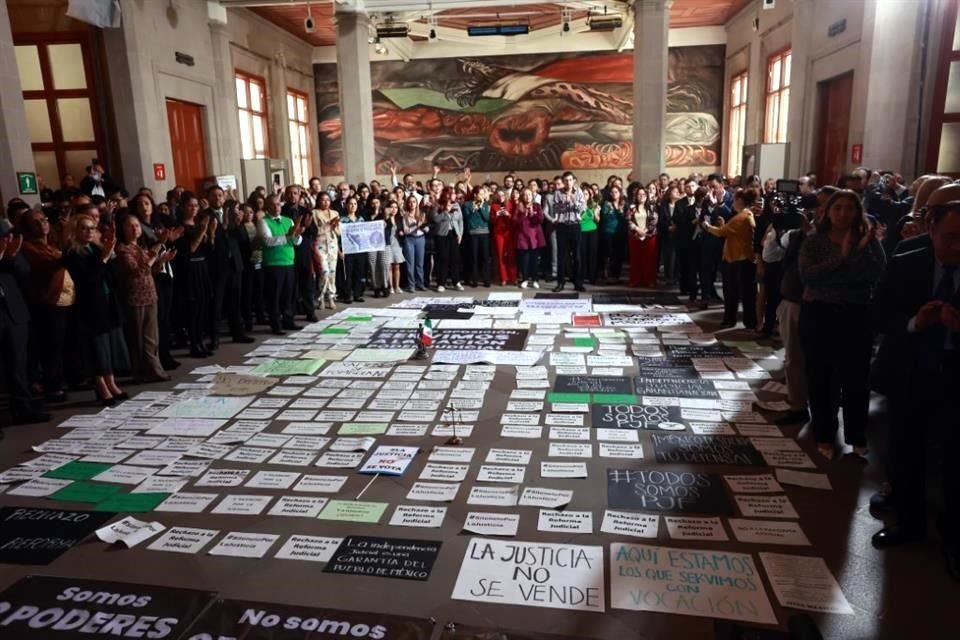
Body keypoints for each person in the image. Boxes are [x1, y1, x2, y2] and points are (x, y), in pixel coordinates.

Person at [871, 200, 960, 581]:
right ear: (931, 231)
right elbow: (878, 314)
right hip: (910, 374)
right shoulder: (907, 261)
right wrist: (913, 323)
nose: (958, 246)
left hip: (955, 377)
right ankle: (909, 524)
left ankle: (955, 540)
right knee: (906, 451)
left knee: (956, 461)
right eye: (950, 237)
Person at [799, 189, 886, 459]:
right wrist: (844, 258)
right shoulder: (815, 240)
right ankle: (824, 433)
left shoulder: (868, 241)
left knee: (856, 378)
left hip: (855, 314)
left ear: (857, 212)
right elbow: (808, 276)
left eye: (849, 208)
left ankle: (856, 435)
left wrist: (853, 258)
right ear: (828, 211)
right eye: (838, 208)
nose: (843, 213)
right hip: (819, 313)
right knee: (821, 377)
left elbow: (876, 274)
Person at [65, 212, 129, 405]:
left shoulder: (95, 248)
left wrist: (110, 254)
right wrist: (103, 259)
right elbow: (88, 280)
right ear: (75, 230)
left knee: (107, 346)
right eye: (84, 228)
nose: (88, 232)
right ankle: (101, 385)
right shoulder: (72, 253)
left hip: (106, 301)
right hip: (88, 306)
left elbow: (112, 274)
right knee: (96, 348)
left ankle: (111, 382)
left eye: (92, 228)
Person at [18, 210, 73, 403]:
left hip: (64, 300)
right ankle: (53, 385)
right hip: (47, 302)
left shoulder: (49, 243)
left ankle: (63, 379)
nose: (42, 224)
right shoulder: (27, 247)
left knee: (61, 345)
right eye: (36, 222)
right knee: (51, 346)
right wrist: (67, 241)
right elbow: (50, 264)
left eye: (44, 220)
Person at [0, 220, 50, 426]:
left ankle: (23, 408)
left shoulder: (13, 252)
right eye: (4, 237)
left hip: (14, 313)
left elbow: (25, 272)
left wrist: (10, 257)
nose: (8, 240)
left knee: (18, 364)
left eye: (9, 236)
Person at [116, 214, 174, 383]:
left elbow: (150, 270)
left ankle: (155, 369)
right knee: (137, 337)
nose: (135, 229)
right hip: (135, 296)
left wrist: (161, 261)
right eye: (130, 226)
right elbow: (137, 270)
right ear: (123, 230)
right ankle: (139, 371)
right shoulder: (123, 249)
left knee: (151, 336)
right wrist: (155, 254)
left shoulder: (141, 247)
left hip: (150, 293)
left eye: (137, 226)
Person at [703, 189, 759, 328]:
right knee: (745, 293)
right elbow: (731, 232)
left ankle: (732, 319)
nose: (733, 203)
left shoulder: (741, 217)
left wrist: (708, 227)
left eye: (734, 200)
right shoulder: (747, 215)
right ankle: (746, 321)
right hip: (742, 258)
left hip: (736, 259)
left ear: (740, 201)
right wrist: (723, 225)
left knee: (732, 292)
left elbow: (721, 233)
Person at [174, 195, 215, 357]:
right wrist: (203, 231)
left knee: (202, 307)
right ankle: (194, 343)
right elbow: (189, 249)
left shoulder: (199, 224)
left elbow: (208, 250)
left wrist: (210, 234)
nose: (194, 209)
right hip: (189, 269)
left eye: (196, 206)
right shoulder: (180, 227)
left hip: (202, 267)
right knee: (192, 309)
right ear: (183, 207)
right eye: (190, 206)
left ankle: (200, 341)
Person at [257, 194, 303, 334]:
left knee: (288, 294)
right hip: (273, 263)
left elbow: (296, 242)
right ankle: (276, 324)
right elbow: (268, 241)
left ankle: (288, 321)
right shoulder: (263, 221)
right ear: (267, 207)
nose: (276, 207)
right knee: (275, 296)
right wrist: (288, 237)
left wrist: (297, 235)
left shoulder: (288, 220)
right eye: (272, 204)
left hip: (289, 261)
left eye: (278, 204)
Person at [552, 172, 586, 292]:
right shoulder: (558, 193)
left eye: (570, 180)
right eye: (566, 180)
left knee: (577, 256)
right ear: (563, 181)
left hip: (575, 225)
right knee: (561, 255)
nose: (568, 182)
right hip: (562, 225)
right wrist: (564, 203)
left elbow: (583, 208)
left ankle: (577, 283)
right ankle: (560, 283)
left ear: (574, 181)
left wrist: (573, 201)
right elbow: (555, 208)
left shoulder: (579, 192)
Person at [431, 188, 464, 292]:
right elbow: (435, 219)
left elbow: (460, 221)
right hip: (442, 234)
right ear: (447, 195)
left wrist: (460, 234)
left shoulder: (457, 205)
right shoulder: (438, 205)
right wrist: (445, 211)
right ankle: (441, 283)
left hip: (454, 234)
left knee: (455, 258)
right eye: (452, 193)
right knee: (443, 258)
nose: (455, 195)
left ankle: (456, 282)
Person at [313, 192, 340, 310]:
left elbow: (339, 232)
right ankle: (321, 297)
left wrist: (334, 227)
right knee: (324, 271)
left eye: (328, 200)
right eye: (323, 200)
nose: (326, 202)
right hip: (320, 243)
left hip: (333, 243)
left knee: (332, 271)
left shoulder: (335, 213)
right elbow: (314, 230)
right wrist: (326, 226)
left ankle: (331, 296)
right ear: (318, 201)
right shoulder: (314, 213)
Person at [514, 188, 545, 289]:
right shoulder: (519, 206)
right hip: (522, 236)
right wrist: (524, 214)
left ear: (532, 196)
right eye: (525, 195)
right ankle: (525, 279)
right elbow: (514, 221)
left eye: (529, 195)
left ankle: (535, 280)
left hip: (534, 237)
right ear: (522, 196)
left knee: (534, 260)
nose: (527, 197)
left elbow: (541, 219)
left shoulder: (537, 206)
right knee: (524, 260)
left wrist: (533, 215)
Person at [674, 182, 700, 298]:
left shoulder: (701, 202)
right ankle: (684, 288)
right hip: (684, 237)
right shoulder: (680, 203)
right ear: (685, 189)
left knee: (694, 265)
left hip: (697, 239)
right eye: (688, 186)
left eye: (693, 186)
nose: (691, 188)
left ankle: (693, 287)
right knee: (683, 264)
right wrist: (691, 221)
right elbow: (677, 219)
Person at [628, 189, 658, 288]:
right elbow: (628, 220)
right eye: (639, 194)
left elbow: (654, 220)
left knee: (649, 259)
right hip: (635, 236)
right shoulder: (631, 208)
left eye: (643, 194)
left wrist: (645, 231)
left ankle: (649, 281)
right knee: (636, 259)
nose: (641, 196)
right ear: (636, 196)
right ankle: (636, 280)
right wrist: (637, 229)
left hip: (649, 236)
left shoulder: (651, 207)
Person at [338, 196, 366, 303]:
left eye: (355, 204)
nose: (353, 206)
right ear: (346, 205)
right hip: (347, 250)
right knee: (347, 274)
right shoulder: (342, 220)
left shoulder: (361, 219)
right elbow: (337, 237)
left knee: (358, 273)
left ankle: (357, 294)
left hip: (359, 250)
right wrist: (339, 251)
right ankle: (347, 295)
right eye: (350, 204)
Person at [463, 186, 492, 287]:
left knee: (485, 257)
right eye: (480, 193)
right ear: (475, 195)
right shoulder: (467, 204)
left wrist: (482, 207)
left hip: (484, 233)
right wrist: (473, 209)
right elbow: (466, 217)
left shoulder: (485, 204)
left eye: (483, 193)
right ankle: (474, 280)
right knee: (474, 257)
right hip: (473, 233)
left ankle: (486, 280)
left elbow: (487, 218)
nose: (482, 195)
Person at [599, 184, 627, 283]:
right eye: (612, 192)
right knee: (609, 254)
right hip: (609, 231)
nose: (614, 194)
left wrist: (621, 210)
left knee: (618, 255)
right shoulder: (607, 203)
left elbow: (626, 218)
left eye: (616, 192)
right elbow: (604, 217)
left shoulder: (624, 204)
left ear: (620, 193)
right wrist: (610, 210)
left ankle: (617, 275)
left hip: (620, 232)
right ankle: (607, 275)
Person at [400, 194, 427, 292]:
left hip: (420, 239)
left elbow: (426, 228)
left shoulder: (422, 214)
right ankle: (411, 284)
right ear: (407, 203)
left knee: (419, 263)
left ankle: (420, 283)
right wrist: (417, 225)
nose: (412, 204)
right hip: (409, 239)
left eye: (414, 202)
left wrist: (424, 227)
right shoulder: (405, 215)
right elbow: (406, 230)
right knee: (410, 263)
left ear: (417, 203)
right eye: (410, 202)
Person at [366, 195, 390, 298]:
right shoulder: (366, 214)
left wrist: (386, 219)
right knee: (373, 264)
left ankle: (385, 286)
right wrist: (374, 215)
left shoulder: (384, 214)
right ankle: (376, 287)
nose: (375, 205)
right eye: (373, 203)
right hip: (371, 244)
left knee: (384, 264)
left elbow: (390, 226)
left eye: (377, 202)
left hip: (383, 243)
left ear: (380, 203)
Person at [492, 190, 517, 286]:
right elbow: (491, 220)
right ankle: (503, 278)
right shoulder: (494, 205)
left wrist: (508, 215)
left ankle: (513, 277)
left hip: (509, 231)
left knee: (511, 254)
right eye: (499, 195)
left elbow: (515, 218)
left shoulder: (511, 204)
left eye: (503, 194)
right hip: (498, 233)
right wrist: (496, 215)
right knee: (500, 254)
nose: (501, 196)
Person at [658, 186, 682, 285]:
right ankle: (668, 277)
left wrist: (677, 227)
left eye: (677, 191)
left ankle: (676, 276)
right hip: (666, 233)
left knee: (677, 256)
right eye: (673, 191)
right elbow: (660, 221)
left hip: (678, 234)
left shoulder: (681, 205)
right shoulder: (663, 206)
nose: (675, 193)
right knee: (668, 255)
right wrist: (668, 227)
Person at [580, 185, 601, 285]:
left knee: (592, 254)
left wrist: (595, 214)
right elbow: (578, 218)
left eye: (587, 194)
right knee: (582, 253)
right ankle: (583, 275)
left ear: (590, 195)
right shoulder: (578, 204)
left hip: (593, 230)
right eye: (583, 194)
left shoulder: (595, 204)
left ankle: (592, 276)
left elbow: (598, 220)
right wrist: (583, 209)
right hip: (581, 230)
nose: (585, 196)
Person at [384, 199, 405, 294]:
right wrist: (387, 217)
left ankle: (397, 286)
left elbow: (403, 230)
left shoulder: (399, 218)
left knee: (397, 266)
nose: (394, 209)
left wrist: (402, 232)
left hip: (397, 244)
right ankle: (391, 286)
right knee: (389, 266)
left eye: (396, 207)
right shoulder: (385, 218)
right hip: (387, 244)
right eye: (392, 207)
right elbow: (384, 229)